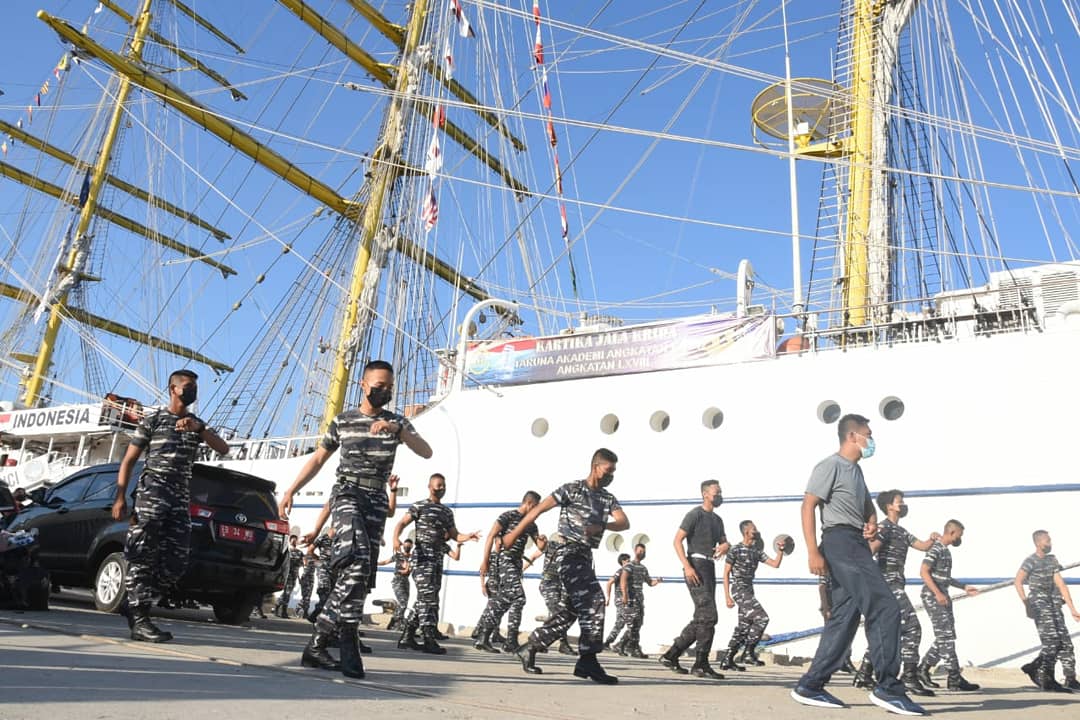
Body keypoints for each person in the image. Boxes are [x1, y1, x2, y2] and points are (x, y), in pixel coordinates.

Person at [278, 360, 432, 680]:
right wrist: (291, 489)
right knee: (357, 561)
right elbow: (319, 459)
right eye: (378, 386)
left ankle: (318, 644)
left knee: (360, 578)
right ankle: (347, 639)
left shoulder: (397, 422)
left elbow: (426, 451)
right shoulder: (344, 421)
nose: (384, 392)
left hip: (376, 501)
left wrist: (398, 430)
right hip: (347, 494)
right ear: (363, 385)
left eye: (389, 387)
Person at [790, 413, 926, 716]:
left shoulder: (857, 473)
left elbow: (868, 511)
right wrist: (813, 551)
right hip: (840, 543)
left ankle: (810, 685)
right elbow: (808, 505)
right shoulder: (830, 466)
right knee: (885, 606)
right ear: (853, 436)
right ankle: (888, 688)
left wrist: (871, 526)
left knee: (845, 617)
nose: (871, 439)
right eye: (868, 433)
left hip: (856, 543)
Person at [111, 369, 229, 643]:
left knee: (176, 563)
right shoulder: (153, 421)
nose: (192, 391)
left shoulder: (196, 423)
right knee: (142, 555)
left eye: (194, 387)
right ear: (173, 389)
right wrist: (119, 497)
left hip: (179, 500)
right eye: (188, 386)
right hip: (152, 495)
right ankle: (140, 619)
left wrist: (199, 429)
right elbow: (129, 461)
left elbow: (223, 449)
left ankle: (135, 602)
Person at [505, 448, 629, 684]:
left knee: (571, 610)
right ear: (596, 467)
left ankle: (530, 647)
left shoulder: (607, 497)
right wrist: (513, 535)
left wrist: (602, 526)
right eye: (608, 470)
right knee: (594, 601)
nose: (611, 475)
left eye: (614, 471)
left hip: (584, 556)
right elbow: (539, 510)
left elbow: (623, 522)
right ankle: (588, 660)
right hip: (566, 552)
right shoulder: (572, 489)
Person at [855, 491, 940, 695]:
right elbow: (869, 551)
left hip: (895, 584)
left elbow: (921, 545)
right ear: (889, 507)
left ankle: (864, 674)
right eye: (899, 502)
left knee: (888, 630)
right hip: (887, 585)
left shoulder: (900, 531)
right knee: (912, 627)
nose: (903, 505)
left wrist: (934, 539)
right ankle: (909, 677)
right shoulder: (884, 528)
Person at [392, 473, 479, 654]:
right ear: (430, 486)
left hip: (437, 560)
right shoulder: (419, 506)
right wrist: (395, 539)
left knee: (426, 598)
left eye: (444, 486)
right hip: (422, 559)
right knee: (428, 598)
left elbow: (455, 534)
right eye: (438, 485)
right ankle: (428, 638)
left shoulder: (447, 512)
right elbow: (402, 523)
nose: (441, 489)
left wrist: (468, 536)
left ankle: (407, 636)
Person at [660, 479, 729, 680]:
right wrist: (687, 566)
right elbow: (677, 540)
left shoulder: (717, 520)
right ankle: (700, 664)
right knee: (709, 615)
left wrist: (726, 546)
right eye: (717, 492)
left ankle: (671, 655)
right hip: (696, 565)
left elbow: (724, 543)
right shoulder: (694, 515)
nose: (720, 495)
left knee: (702, 617)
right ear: (705, 494)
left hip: (709, 566)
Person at [475, 492, 543, 653]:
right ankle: (506, 639)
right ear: (529, 503)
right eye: (536, 507)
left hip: (516, 563)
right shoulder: (508, 516)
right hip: (504, 560)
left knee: (507, 599)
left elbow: (540, 546)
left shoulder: (531, 524)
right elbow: (491, 536)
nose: (537, 511)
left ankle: (485, 637)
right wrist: (485, 562)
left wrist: (543, 542)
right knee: (518, 597)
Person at [916, 519, 980, 692]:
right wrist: (937, 593)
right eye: (960, 534)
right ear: (952, 533)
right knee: (946, 637)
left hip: (942, 596)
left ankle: (922, 670)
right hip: (934, 597)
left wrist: (964, 587)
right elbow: (923, 571)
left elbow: (944, 577)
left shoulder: (945, 551)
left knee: (946, 635)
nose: (961, 538)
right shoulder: (936, 548)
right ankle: (954, 677)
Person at [1015, 530, 1080, 691]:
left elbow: (1061, 584)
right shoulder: (1030, 561)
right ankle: (1046, 678)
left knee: (1065, 643)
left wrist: (1073, 609)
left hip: (1054, 604)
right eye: (1047, 541)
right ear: (1038, 543)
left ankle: (1070, 678)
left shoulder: (1052, 560)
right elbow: (1018, 581)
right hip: (1040, 604)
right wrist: (1027, 605)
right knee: (1051, 643)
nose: (1050, 543)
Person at [720, 521, 784, 668]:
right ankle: (748, 653)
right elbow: (726, 573)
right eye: (753, 529)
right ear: (746, 531)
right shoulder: (735, 550)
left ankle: (727, 659)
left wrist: (780, 550)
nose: (756, 531)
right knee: (762, 618)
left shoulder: (756, 550)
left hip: (749, 590)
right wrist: (727, 597)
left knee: (743, 626)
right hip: (739, 589)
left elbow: (775, 564)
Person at [527, 533, 575, 655]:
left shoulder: (573, 550)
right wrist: (520, 570)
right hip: (549, 583)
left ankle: (541, 641)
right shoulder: (552, 545)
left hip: (562, 584)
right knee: (557, 613)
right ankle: (562, 644)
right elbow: (534, 556)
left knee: (560, 613)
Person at [618, 543, 662, 658]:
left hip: (639, 600)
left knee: (638, 624)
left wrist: (657, 581)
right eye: (640, 551)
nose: (641, 553)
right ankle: (634, 648)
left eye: (643, 551)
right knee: (633, 625)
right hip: (631, 600)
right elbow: (623, 580)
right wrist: (625, 595)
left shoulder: (643, 568)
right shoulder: (629, 566)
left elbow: (650, 582)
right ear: (635, 551)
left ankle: (621, 645)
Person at [378, 538, 412, 630]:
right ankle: (397, 622)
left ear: (411, 546)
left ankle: (394, 621)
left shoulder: (412, 557)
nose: (406, 547)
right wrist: (376, 563)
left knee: (404, 603)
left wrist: (407, 566)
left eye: (408, 546)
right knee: (403, 603)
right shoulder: (398, 556)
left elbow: (407, 571)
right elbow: (386, 561)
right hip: (398, 580)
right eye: (405, 545)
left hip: (405, 581)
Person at [602, 553, 631, 652]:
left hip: (627, 600)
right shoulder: (621, 571)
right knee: (631, 622)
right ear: (623, 561)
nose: (629, 562)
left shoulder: (628, 572)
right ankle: (618, 644)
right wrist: (608, 597)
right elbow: (610, 582)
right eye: (628, 560)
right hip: (621, 600)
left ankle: (611, 643)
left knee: (621, 623)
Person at [274, 535, 304, 618]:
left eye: (295, 540)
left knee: (287, 593)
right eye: (293, 540)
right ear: (290, 541)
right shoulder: (287, 551)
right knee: (286, 593)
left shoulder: (300, 552)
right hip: (286, 575)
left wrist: (299, 576)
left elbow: (301, 564)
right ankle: (283, 611)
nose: (294, 542)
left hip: (294, 576)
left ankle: (277, 605)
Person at [297, 547, 318, 618]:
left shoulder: (315, 557)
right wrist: (300, 579)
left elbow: (319, 564)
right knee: (305, 595)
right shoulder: (305, 557)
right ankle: (302, 610)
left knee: (308, 595)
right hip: (305, 577)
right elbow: (301, 566)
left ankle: (303, 610)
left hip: (311, 578)